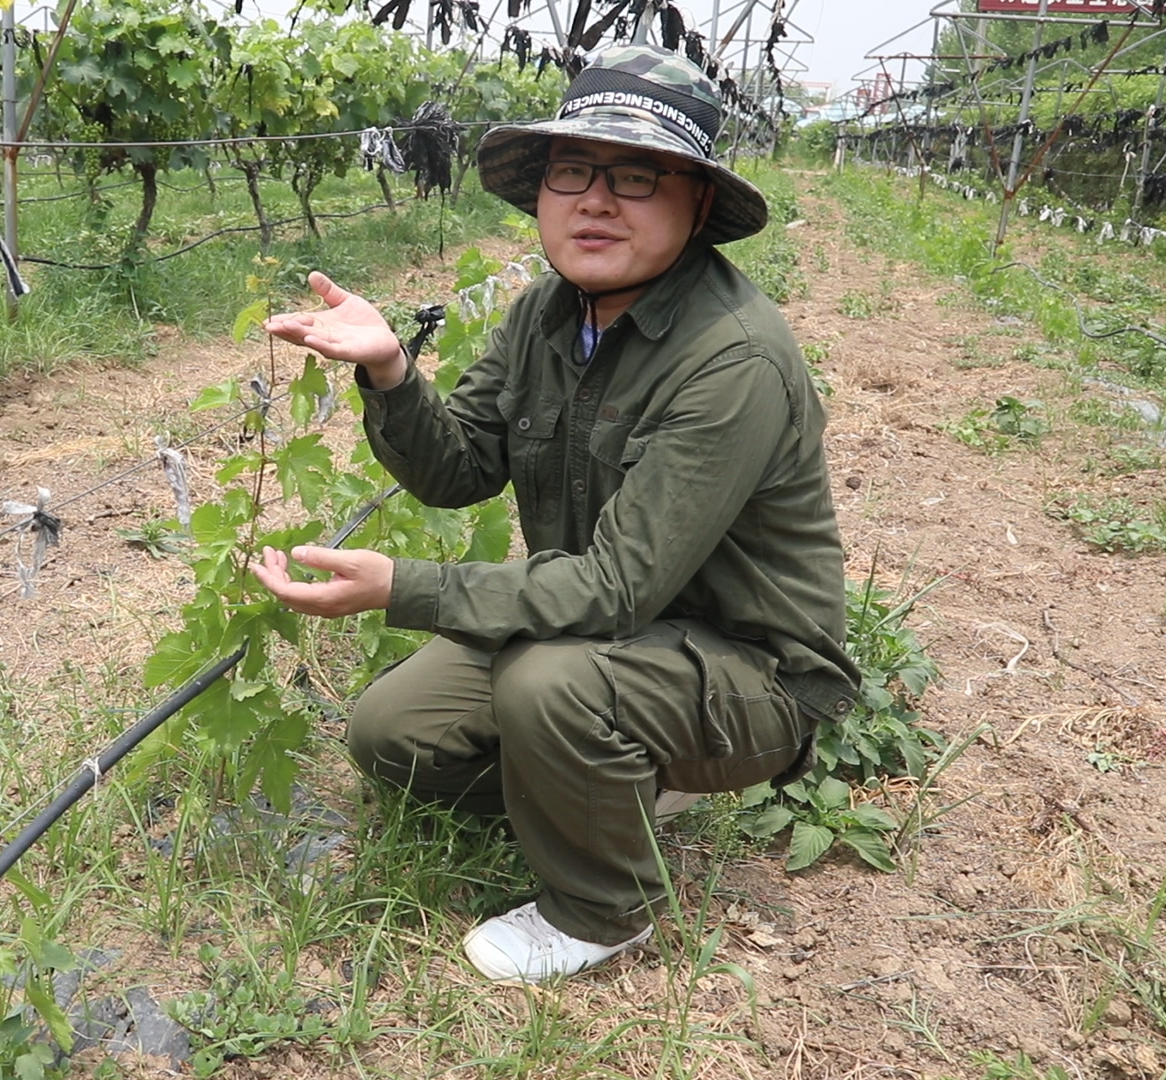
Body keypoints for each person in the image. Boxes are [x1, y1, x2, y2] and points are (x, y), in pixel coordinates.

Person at [251, 44, 861, 984]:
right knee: (393, 736)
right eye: (571, 171)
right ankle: (609, 787)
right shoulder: (546, 311)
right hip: (596, 629)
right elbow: (458, 472)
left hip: (747, 667)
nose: (595, 200)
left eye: (637, 176)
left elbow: (618, 587)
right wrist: (389, 370)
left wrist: (399, 588)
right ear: (539, 193)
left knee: (548, 683)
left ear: (696, 204)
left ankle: (603, 910)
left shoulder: (732, 359)